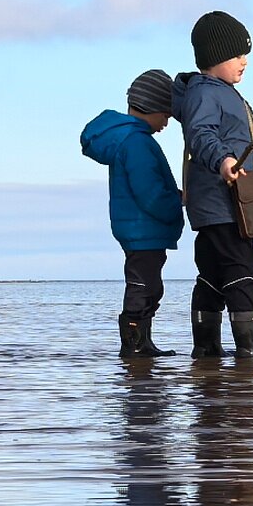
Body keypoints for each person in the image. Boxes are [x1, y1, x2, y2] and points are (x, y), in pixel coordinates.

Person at [167, 8, 253, 360]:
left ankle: (206, 350)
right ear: (214, 57)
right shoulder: (207, 94)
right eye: (237, 54)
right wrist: (224, 161)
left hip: (219, 206)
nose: (244, 62)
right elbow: (201, 134)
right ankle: (248, 353)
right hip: (223, 204)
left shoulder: (219, 92)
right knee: (241, 269)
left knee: (211, 272)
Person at [79, 68, 185, 359]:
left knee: (149, 286)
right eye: (166, 113)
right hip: (143, 229)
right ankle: (134, 345)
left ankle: (142, 342)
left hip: (140, 229)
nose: (167, 121)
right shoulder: (138, 142)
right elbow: (148, 190)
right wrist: (176, 203)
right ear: (152, 107)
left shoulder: (132, 139)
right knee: (143, 286)